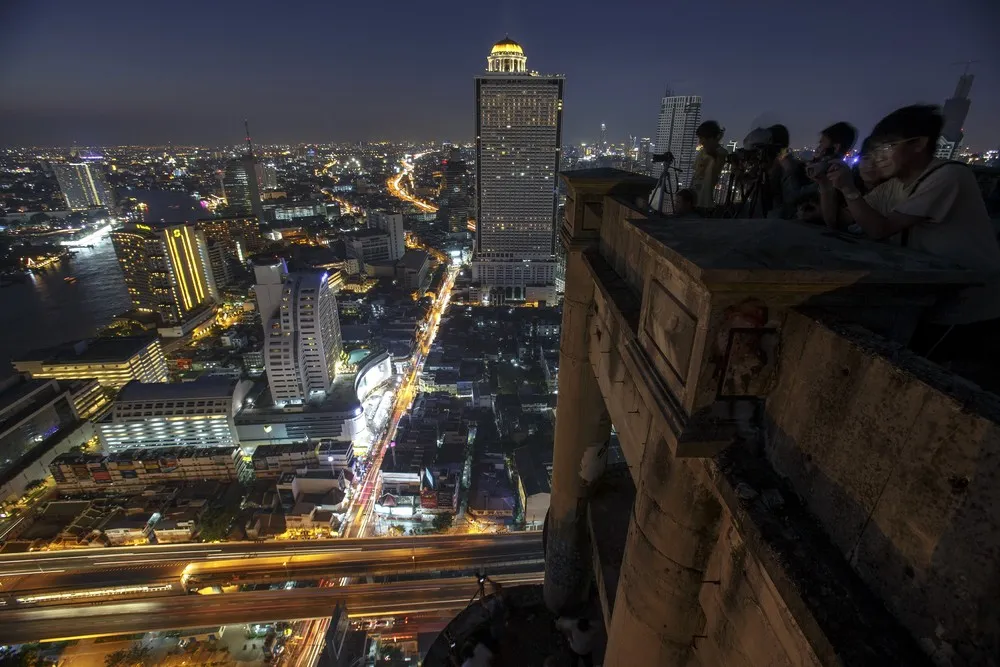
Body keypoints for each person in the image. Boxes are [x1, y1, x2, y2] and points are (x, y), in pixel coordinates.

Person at [824, 104, 1000, 386]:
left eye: (887, 148)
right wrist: (826, 186)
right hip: (930, 297)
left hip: (969, 307)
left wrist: (848, 188)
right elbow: (840, 222)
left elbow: (879, 229)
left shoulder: (949, 176)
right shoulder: (895, 185)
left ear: (919, 144)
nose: (878, 158)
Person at [767, 124, 813, 219]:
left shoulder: (788, 165)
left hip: (783, 219)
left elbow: (791, 198)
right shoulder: (784, 161)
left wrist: (789, 171)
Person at [689, 120, 727, 210]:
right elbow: (696, 172)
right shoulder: (702, 152)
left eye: (702, 138)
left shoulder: (721, 153)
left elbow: (716, 161)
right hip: (694, 196)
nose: (701, 142)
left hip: (705, 202)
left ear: (712, 138)